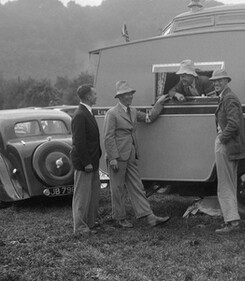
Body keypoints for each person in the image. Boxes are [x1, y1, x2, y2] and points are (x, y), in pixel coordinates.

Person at [103, 81, 170, 229]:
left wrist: (159, 103)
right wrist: (113, 158)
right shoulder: (112, 113)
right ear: (120, 97)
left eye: (131, 94)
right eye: (126, 94)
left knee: (137, 186)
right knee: (118, 188)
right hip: (117, 157)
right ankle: (119, 219)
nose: (130, 97)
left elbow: (149, 118)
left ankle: (149, 217)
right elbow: (108, 137)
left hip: (130, 155)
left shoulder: (132, 111)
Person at [210, 68, 245, 233]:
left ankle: (231, 222)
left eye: (219, 80)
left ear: (226, 81)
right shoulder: (226, 96)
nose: (216, 83)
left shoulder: (228, 97)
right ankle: (232, 219)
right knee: (229, 183)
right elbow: (242, 122)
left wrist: (222, 139)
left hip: (226, 145)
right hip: (229, 144)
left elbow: (234, 123)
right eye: (214, 81)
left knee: (225, 184)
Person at [70, 84, 102, 236]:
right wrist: (86, 162)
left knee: (92, 195)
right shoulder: (80, 115)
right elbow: (79, 142)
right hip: (86, 164)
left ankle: (90, 223)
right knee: (82, 196)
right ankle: (80, 227)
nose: (96, 96)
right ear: (88, 96)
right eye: (94, 94)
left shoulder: (87, 112)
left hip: (93, 162)